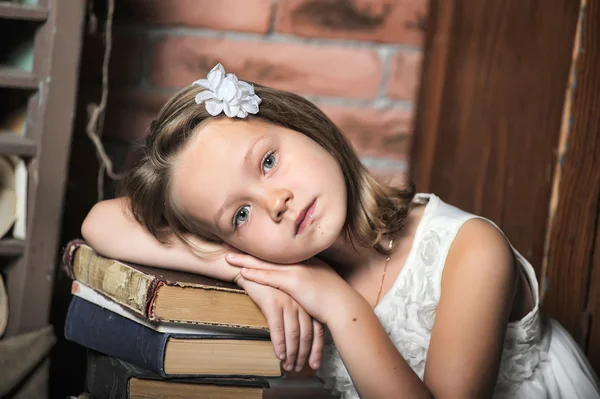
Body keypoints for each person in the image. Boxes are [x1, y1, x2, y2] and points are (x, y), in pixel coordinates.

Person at [81, 64, 600, 398]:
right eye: (239, 216)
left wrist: (334, 300)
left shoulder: (472, 250)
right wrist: (241, 271)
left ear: (305, 126)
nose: (275, 202)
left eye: (266, 162)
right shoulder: (280, 266)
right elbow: (99, 222)